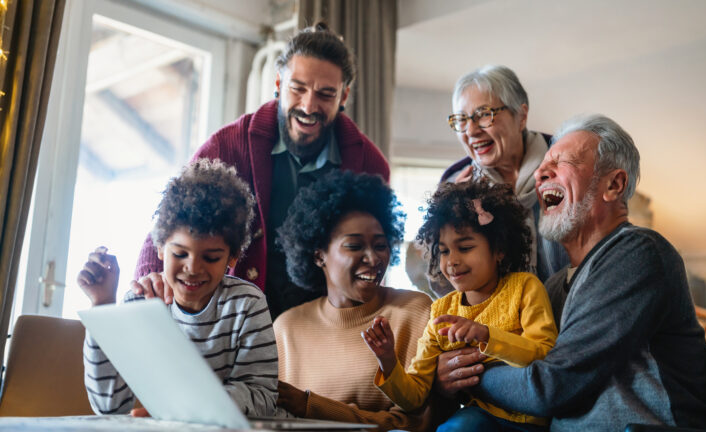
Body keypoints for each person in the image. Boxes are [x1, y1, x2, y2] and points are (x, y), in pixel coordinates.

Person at [441, 114, 706, 430]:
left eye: (562, 162)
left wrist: (466, 375)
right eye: (543, 166)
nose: (541, 173)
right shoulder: (556, 285)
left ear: (613, 184)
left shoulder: (637, 253)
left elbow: (551, 387)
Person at [132, 23, 389, 319]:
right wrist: (150, 278)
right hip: (231, 320)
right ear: (279, 83)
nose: (308, 105)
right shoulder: (228, 145)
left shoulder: (371, 166)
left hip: (322, 325)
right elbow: (175, 216)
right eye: (298, 88)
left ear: (343, 97)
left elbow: (372, 257)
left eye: (325, 94)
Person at [79, 159, 277, 418]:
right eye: (180, 253)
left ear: (233, 257)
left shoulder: (247, 304)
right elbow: (109, 406)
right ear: (160, 247)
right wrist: (102, 306)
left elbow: (262, 397)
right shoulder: (139, 306)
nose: (193, 268)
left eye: (211, 257)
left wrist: (183, 410)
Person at [363, 180, 557, 432]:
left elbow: (544, 354)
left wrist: (486, 335)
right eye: (443, 251)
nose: (452, 261)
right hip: (477, 419)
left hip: (530, 423)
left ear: (499, 249)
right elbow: (414, 398)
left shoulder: (524, 288)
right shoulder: (441, 312)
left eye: (464, 248)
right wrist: (388, 361)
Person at [272, 170, 443, 432]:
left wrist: (311, 406)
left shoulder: (415, 313)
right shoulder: (286, 328)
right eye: (354, 246)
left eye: (380, 245)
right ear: (319, 256)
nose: (373, 259)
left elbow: (412, 424)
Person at [440, 65, 569, 289]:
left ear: (521, 116)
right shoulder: (454, 184)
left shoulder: (567, 167)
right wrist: (452, 215)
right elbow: (441, 275)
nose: (470, 131)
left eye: (483, 115)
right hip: (489, 319)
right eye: (462, 120)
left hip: (568, 313)